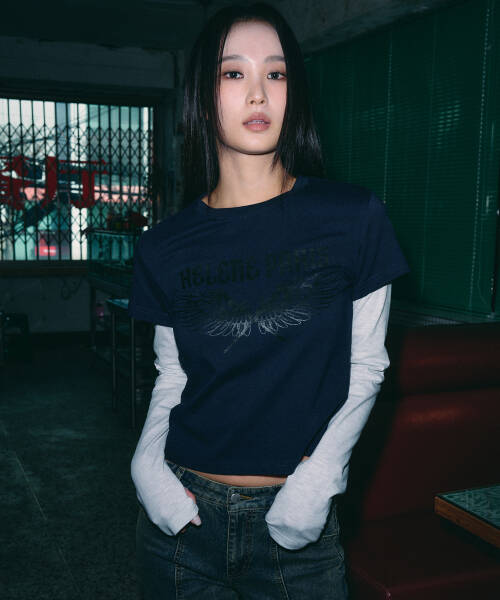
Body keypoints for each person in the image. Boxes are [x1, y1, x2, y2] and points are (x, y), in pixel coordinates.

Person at [128, 2, 410, 599]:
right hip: (182, 515)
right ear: (202, 95)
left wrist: (320, 479)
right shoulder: (163, 245)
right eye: (234, 73)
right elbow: (172, 374)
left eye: (275, 73)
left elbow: (366, 366)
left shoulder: (353, 217)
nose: (258, 92)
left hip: (295, 526)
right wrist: (146, 467)